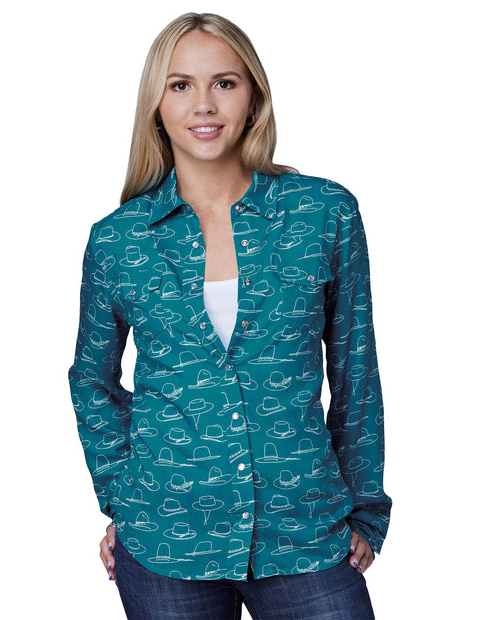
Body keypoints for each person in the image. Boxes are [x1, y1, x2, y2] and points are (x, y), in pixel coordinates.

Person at [69, 12, 391, 619]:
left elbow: (357, 372)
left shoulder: (323, 213)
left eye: (224, 82)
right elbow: (91, 379)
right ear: (156, 105)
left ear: (253, 97)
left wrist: (367, 511)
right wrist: (123, 499)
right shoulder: (118, 240)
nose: (204, 105)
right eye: (180, 85)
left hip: (306, 533)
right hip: (164, 543)